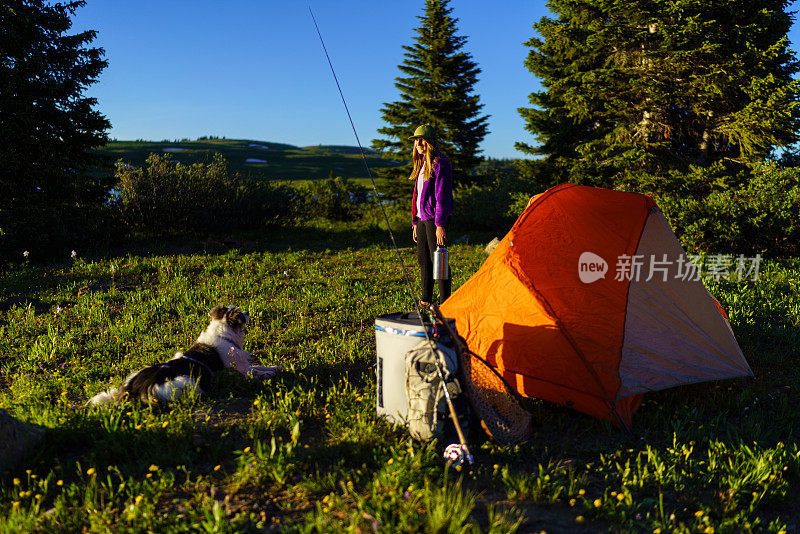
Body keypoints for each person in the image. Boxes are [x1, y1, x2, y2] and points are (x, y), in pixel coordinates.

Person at [408, 124, 453, 309]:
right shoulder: (422, 164)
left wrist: (440, 225)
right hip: (422, 219)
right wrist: (414, 222)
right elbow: (416, 195)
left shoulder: (440, 162)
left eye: (422, 139)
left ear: (430, 142)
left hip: (435, 219)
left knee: (439, 261)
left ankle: (446, 303)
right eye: (416, 140)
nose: (418, 143)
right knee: (423, 260)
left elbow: (441, 195)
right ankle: (426, 299)